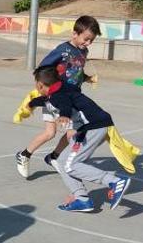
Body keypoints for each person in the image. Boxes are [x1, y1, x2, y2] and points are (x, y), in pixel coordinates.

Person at [27, 66, 131, 212]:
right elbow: (49, 99)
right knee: (62, 161)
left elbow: (64, 104)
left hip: (92, 127)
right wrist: (32, 103)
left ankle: (114, 181)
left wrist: (64, 115)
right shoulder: (64, 87)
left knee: (71, 165)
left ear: (39, 85)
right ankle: (82, 199)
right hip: (93, 126)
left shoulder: (58, 96)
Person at [15, 16, 100, 178]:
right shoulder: (62, 50)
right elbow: (43, 69)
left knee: (72, 133)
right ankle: (24, 155)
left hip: (72, 98)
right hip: (54, 97)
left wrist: (86, 78)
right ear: (74, 33)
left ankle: (53, 156)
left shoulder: (84, 51)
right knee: (50, 133)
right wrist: (44, 88)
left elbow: (75, 72)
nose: (88, 43)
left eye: (91, 40)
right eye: (86, 39)